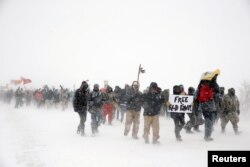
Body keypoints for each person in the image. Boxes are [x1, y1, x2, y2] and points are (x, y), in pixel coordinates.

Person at [195, 69, 220, 141]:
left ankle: (207, 135)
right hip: (209, 106)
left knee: (209, 121)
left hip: (205, 106)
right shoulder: (212, 86)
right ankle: (207, 136)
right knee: (209, 121)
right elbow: (217, 94)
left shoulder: (200, 86)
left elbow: (196, 97)